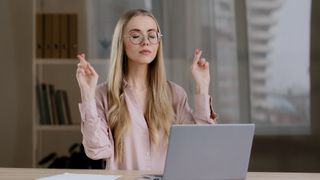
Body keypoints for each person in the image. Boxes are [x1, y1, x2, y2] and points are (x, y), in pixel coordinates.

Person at [76, 9, 217, 171]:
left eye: (152, 35)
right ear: (120, 42)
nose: (146, 42)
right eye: (136, 36)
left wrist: (202, 87)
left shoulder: (175, 93)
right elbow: (97, 150)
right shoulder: (103, 94)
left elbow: (200, 144)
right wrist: (87, 95)